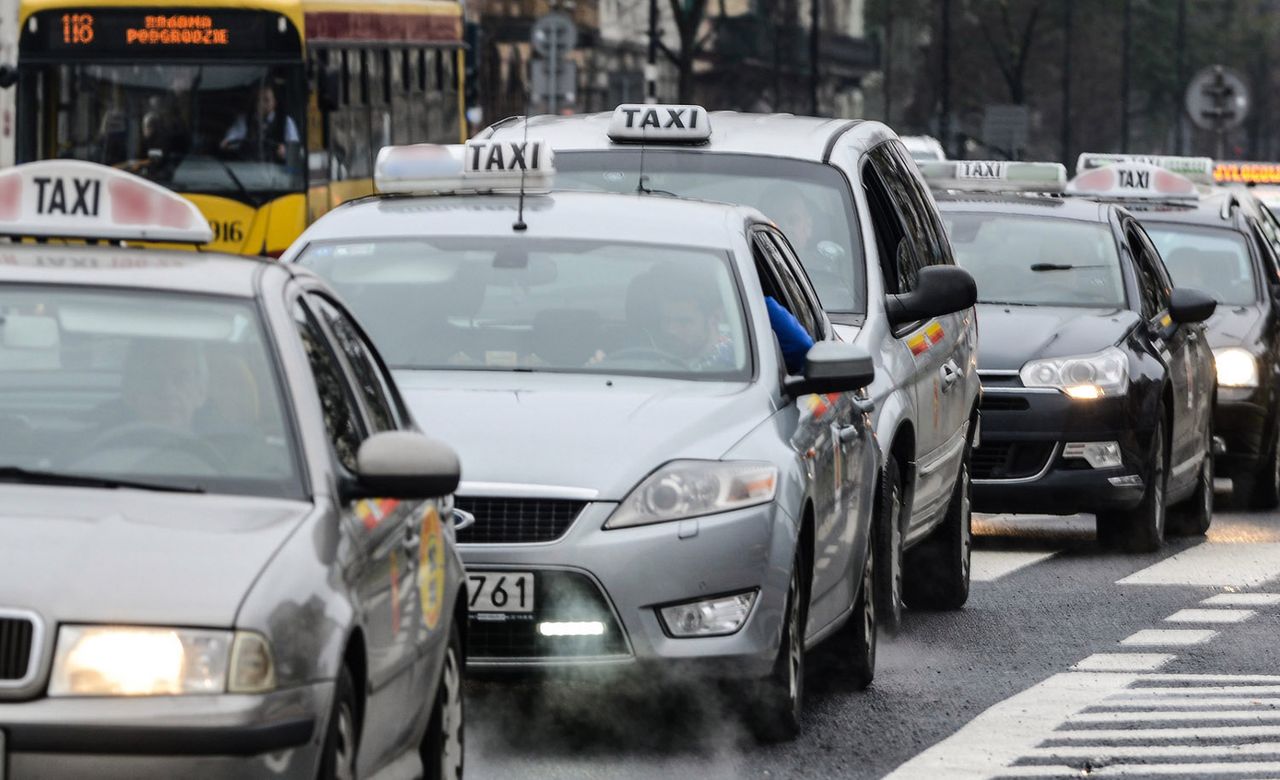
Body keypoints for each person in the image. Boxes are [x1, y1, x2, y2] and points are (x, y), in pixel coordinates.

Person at [220, 83, 300, 164]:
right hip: (246, 168)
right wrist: (227, 143)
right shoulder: (245, 120)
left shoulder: (286, 122)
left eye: (266, 100)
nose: (261, 104)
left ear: (274, 103)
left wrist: (285, 151)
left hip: (275, 171)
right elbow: (230, 141)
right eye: (258, 99)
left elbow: (294, 152)